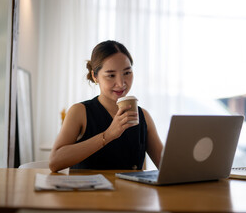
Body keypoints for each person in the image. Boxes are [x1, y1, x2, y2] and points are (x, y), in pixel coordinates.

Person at [49, 40, 163, 172]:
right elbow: (54, 162)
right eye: (111, 75)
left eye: (127, 73)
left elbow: (166, 166)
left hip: (130, 193)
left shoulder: (143, 116)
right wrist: (108, 135)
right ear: (95, 76)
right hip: (88, 192)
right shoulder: (79, 112)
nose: (121, 83)